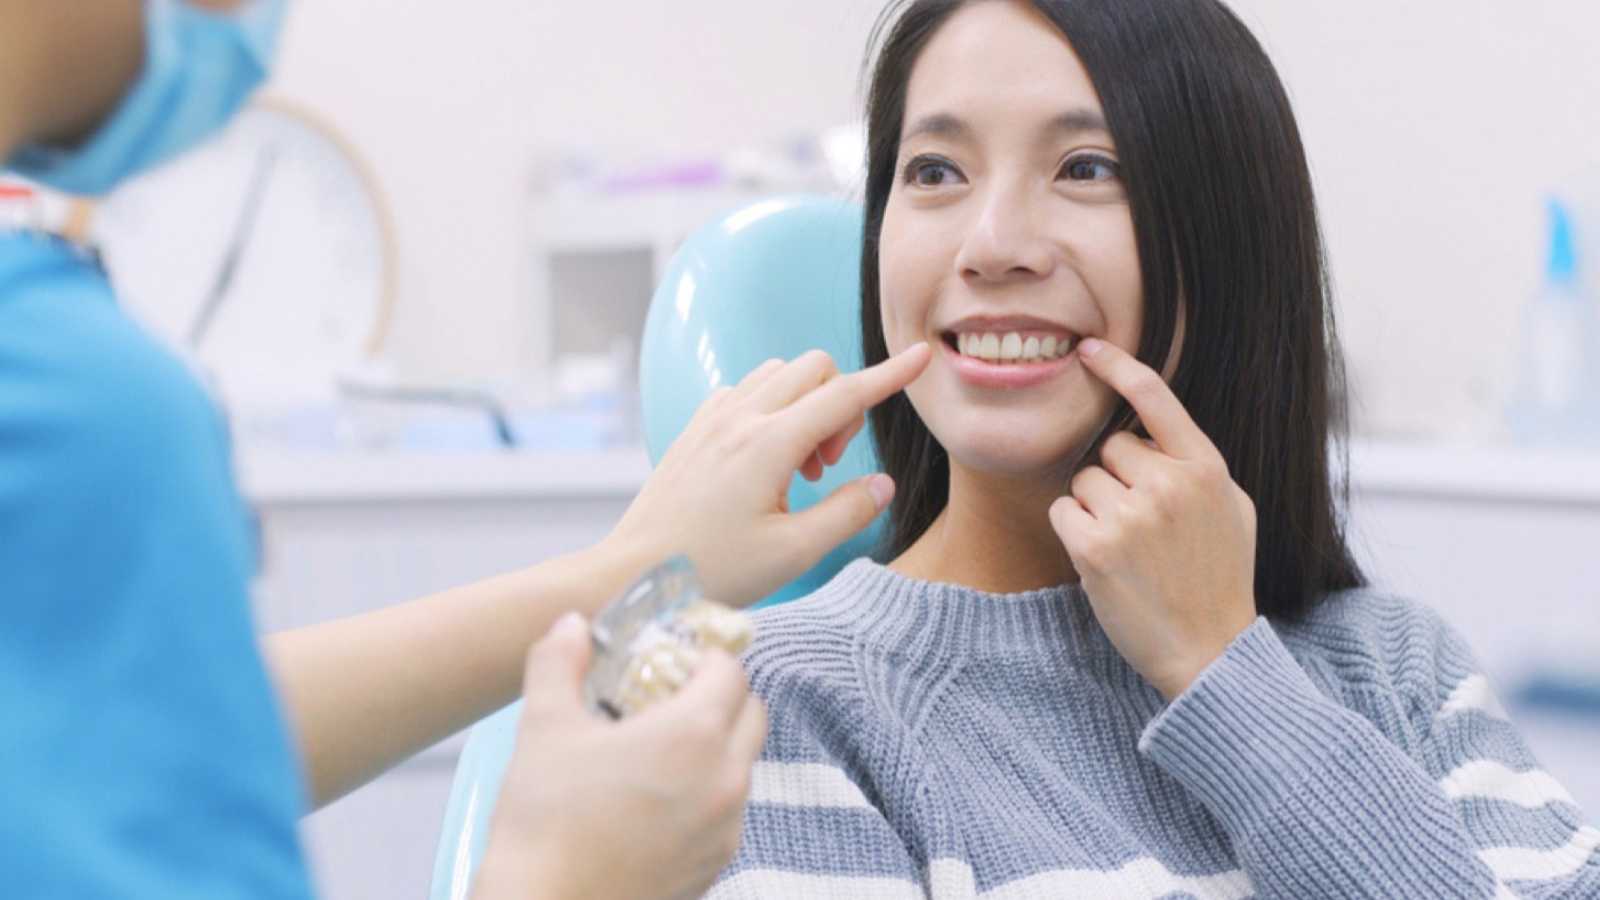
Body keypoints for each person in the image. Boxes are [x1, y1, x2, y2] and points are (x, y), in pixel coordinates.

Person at [0, 2, 934, 897]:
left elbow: (153, 732)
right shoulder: (74, 405)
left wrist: (634, 571)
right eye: (934, 172)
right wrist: (561, 881)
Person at [707, 1, 1600, 897]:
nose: (991, 246)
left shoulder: (1398, 667)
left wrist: (1227, 675)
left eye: (1086, 167)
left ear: (1232, 240)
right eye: (935, 171)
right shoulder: (778, 705)